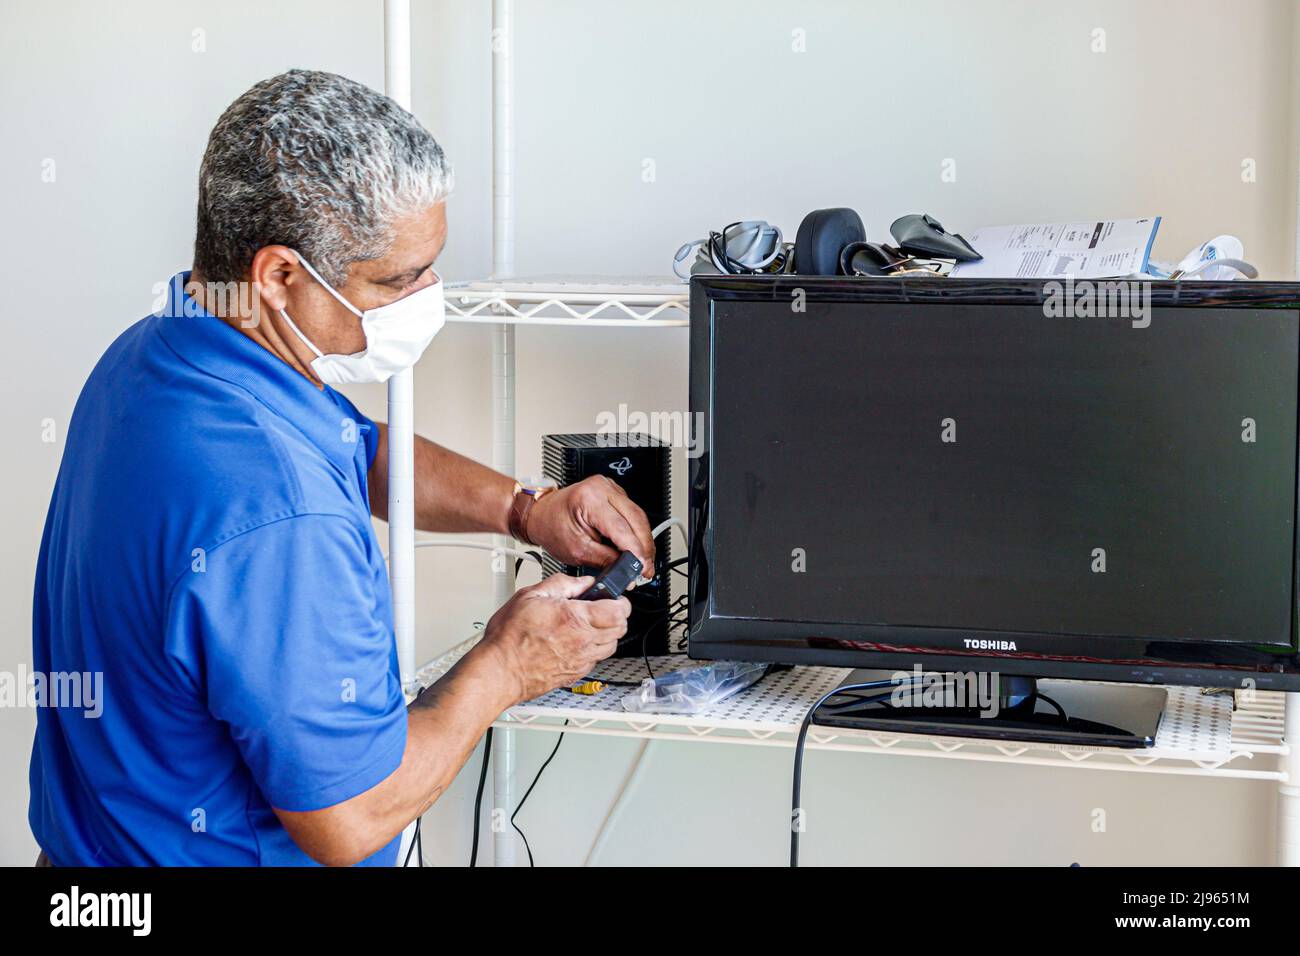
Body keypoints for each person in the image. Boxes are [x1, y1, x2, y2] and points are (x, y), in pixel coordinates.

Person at [29, 69, 654, 866]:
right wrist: (507, 664)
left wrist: (524, 509)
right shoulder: (276, 513)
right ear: (280, 276)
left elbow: (351, 447)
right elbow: (351, 818)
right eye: (397, 279)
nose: (428, 294)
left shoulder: (161, 354)